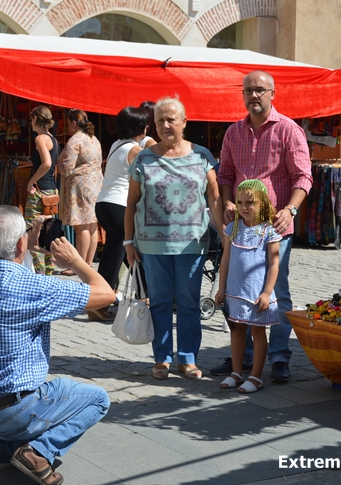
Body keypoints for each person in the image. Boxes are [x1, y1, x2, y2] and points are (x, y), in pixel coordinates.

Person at [0, 205, 115, 484]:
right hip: (15, 411)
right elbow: (106, 293)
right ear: (20, 244)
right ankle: (39, 452)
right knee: (98, 399)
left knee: (7, 428)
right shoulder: (31, 288)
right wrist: (76, 261)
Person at [214, 70, 312, 383]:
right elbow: (225, 175)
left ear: (273, 93)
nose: (253, 96)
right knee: (238, 288)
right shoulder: (233, 133)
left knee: (277, 290)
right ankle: (241, 357)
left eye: (260, 90)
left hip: (275, 228)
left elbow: (303, 178)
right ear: (242, 95)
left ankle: (280, 357)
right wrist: (228, 202)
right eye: (248, 91)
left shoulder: (289, 131)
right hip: (242, 228)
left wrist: (291, 210)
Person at [124, 97, 223, 380]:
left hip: (193, 243)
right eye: (159, 121)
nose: (165, 125)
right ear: (153, 125)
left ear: (184, 122)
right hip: (152, 246)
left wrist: (225, 234)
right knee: (160, 302)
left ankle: (188, 359)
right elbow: (131, 202)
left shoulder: (202, 156)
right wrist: (128, 243)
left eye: (171, 120)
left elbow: (214, 196)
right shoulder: (143, 158)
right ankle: (162, 358)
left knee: (189, 302)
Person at [214, 179, 280, 393]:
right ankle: (236, 372)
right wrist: (221, 288)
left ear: (263, 204)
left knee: (258, 332)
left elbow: (274, 263)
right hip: (235, 291)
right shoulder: (232, 228)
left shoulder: (268, 231)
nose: (244, 207)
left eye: (250, 202)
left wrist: (267, 292)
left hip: (256, 292)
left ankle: (256, 376)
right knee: (236, 330)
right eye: (240, 202)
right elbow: (225, 259)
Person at [90, 106, 148, 322]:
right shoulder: (134, 150)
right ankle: (98, 303)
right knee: (112, 258)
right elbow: (148, 174)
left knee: (122, 254)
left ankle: (144, 293)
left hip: (104, 204)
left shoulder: (117, 144)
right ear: (141, 128)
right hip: (118, 206)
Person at [57, 109, 103, 274]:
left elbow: (66, 168)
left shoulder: (75, 141)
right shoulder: (94, 139)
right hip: (95, 185)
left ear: (74, 124)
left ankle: (79, 266)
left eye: (68, 123)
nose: (68, 127)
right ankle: (88, 263)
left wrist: (58, 164)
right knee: (91, 225)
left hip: (80, 187)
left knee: (81, 227)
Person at [24, 106, 59, 276]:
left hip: (39, 192)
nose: (30, 123)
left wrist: (31, 181)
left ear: (36, 119)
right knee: (48, 234)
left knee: (32, 235)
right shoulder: (53, 139)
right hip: (51, 191)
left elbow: (46, 163)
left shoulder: (40, 139)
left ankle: (39, 275)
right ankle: (49, 274)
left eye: (31, 119)